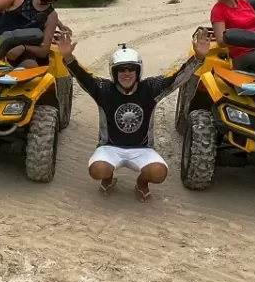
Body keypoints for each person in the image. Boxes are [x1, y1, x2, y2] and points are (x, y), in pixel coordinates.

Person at [59, 30, 213, 201]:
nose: (127, 73)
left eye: (131, 69)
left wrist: (198, 58)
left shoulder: (151, 89)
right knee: (97, 170)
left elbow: (177, 77)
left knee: (159, 173)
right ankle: (108, 177)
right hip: (110, 147)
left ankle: (142, 182)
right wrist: (68, 57)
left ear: (138, 70)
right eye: (121, 69)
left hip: (142, 149)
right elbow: (82, 76)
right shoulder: (103, 90)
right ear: (114, 72)